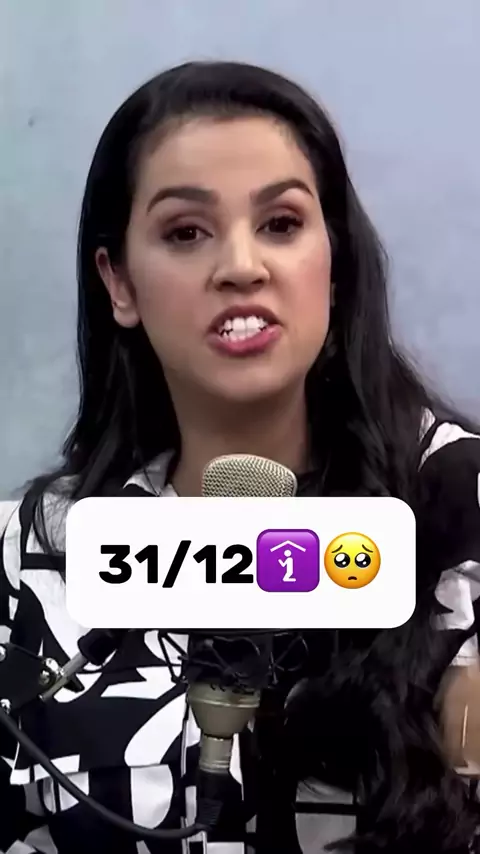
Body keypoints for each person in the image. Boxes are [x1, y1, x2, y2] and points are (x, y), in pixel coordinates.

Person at [0, 59, 479, 854]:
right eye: (186, 233)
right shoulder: (32, 560)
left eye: (282, 224)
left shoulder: (460, 510)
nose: (242, 267)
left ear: (335, 260)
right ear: (119, 283)